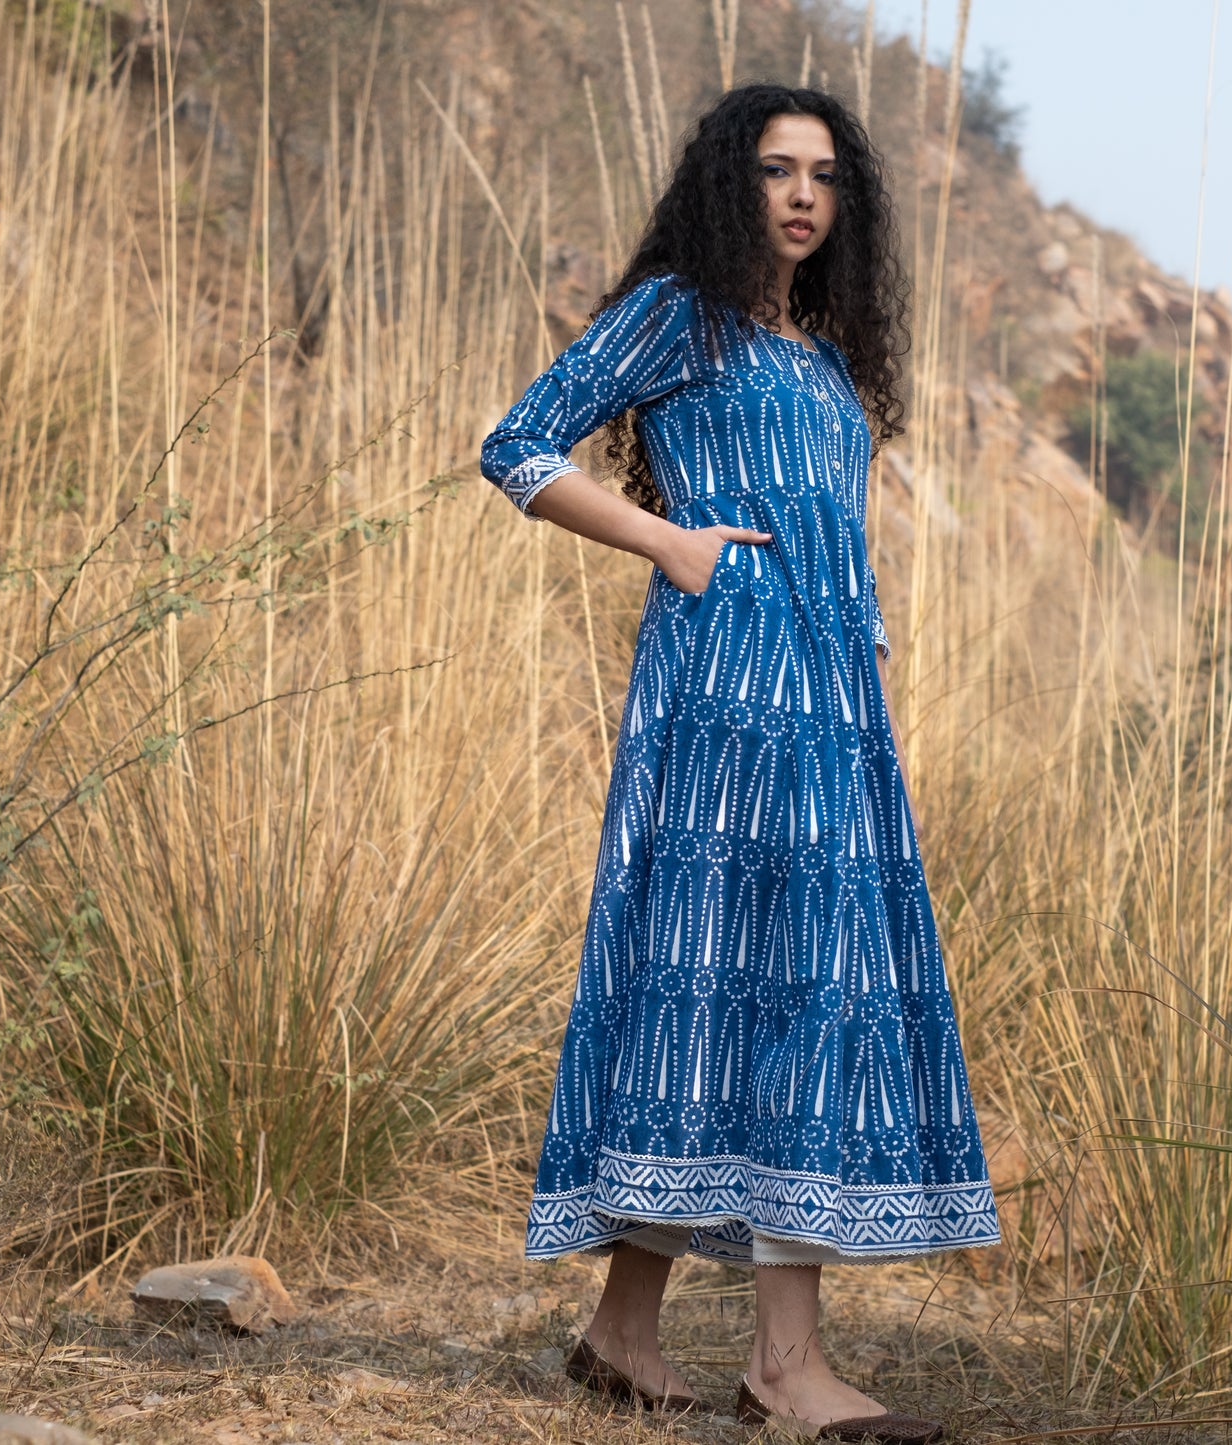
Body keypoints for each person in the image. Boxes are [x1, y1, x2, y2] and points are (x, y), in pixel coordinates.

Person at [480, 82, 999, 1442]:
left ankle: (621, 1329)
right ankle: (784, 1365)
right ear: (731, 183)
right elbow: (515, 446)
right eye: (774, 169)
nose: (801, 194)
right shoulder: (678, 316)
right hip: (725, 696)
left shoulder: (824, 364)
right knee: (771, 977)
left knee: (734, 984)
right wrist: (667, 541)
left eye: (824, 174)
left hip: (826, 712)